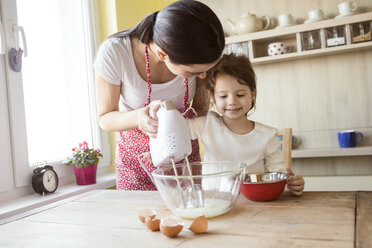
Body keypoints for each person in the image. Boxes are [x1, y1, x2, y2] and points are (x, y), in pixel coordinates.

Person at [93, 0, 225, 190]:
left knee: (189, 217)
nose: (203, 77)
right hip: (135, 165)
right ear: (163, 55)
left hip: (185, 161)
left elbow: (201, 110)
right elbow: (105, 118)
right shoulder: (115, 52)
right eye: (194, 73)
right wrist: (140, 117)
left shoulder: (199, 54)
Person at [187, 54, 305, 195]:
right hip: (214, 205)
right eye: (223, 96)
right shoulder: (206, 125)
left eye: (240, 95)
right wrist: (159, 111)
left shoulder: (267, 135)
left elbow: (279, 178)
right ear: (213, 97)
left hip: (254, 207)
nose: (232, 102)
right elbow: (174, 129)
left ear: (252, 94)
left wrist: (292, 184)